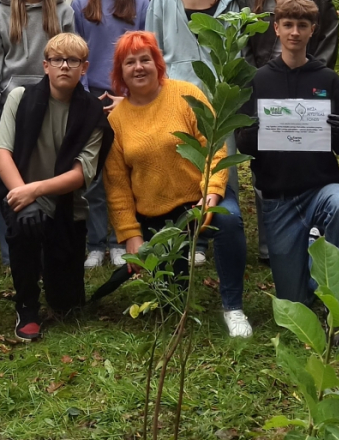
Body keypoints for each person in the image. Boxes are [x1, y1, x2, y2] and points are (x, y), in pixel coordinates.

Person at [104, 32, 251, 338]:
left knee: (231, 221)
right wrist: (131, 236)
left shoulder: (186, 94)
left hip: (199, 199)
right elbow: (116, 185)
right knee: (171, 302)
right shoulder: (116, 121)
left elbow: (215, 146)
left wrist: (211, 193)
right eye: (130, 62)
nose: (139, 67)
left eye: (145, 59)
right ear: (120, 72)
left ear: (157, 63)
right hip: (156, 216)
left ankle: (233, 307)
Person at [236, 0, 339, 311]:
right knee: (295, 303)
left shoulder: (327, 79)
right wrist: (252, 130)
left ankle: (338, 311)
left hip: (322, 189)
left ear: (312, 31)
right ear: (276, 29)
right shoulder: (259, 80)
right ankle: (308, 262)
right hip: (279, 199)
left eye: (302, 26)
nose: (295, 32)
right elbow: (243, 145)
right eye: (288, 25)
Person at [0, 33, 109, 340]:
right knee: (23, 226)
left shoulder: (92, 111)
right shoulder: (20, 97)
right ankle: (26, 304)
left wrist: (36, 190)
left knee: (68, 304)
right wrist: (25, 198)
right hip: (22, 195)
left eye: (73, 60)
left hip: (67, 206)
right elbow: (1, 152)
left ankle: (56, 281)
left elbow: (82, 174)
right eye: (57, 60)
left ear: (84, 67)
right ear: (45, 65)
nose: (64, 66)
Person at [144, 0, 246, 254]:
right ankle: (186, 241)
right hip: (174, 97)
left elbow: (236, 52)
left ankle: (217, 235)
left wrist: (230, 93)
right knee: (181, 168)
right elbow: (152, 49)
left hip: (218, 99)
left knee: (219, 168)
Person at [0, 0, 75, 265]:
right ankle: (13, 252)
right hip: (13, 106)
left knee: (49, 173)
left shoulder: (62, 11)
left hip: (55, 101)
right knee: (5, 177)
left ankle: (50, 248)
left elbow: (75, 59)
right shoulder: (1, 14)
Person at [72, 0, 148, 269]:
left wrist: (130, 96)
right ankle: (95, 242)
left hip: (130, 97)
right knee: (95, 175)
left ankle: (123, 239)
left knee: (127, 174)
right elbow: (76, 53)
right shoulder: (80, 5)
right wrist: (87, 95)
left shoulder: (140, 3)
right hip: (92, 98)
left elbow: (145, 53)